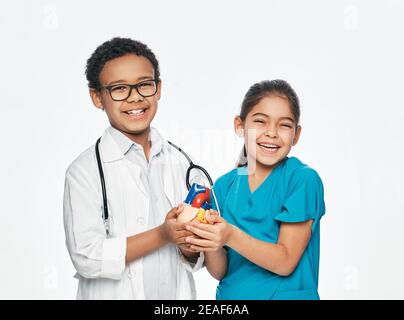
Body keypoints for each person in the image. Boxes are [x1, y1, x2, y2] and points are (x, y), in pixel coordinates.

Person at [63, 37, 204, 299]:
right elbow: (86, 256)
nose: (135, 97)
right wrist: (163, 234)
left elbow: (199, 254)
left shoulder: (183, 162)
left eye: (144, 85)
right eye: (119, 89)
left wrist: (191, 244)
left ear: (158, 88)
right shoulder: (84, 172)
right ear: (97, 97)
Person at [185, 80, 326, 299]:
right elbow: (220, 271)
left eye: (284, 125)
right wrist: (209, 237)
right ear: (239, 126)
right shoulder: (223, 186)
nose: (272, 133)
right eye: (260, 122)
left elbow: (286, 261)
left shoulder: (302, 180)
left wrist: (229, 235)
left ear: (296, 134)